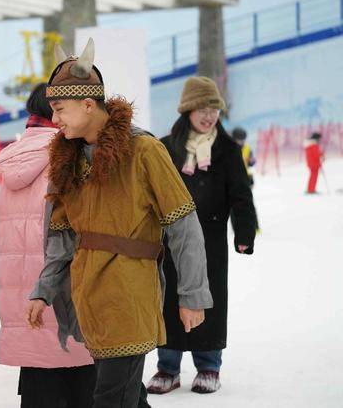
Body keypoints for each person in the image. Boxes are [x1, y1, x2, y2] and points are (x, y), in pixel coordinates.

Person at [25, 39, 213, 408]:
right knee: (126, 396)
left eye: (60, 109)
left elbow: (183, 226)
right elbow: (61, 237)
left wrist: (192, 294)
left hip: (130, 293)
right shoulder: (67, 158)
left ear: (88, 104)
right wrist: (43, 289)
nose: (56, 119)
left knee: (111, 398)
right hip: (88, 296)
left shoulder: (144, 150)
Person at [147, 76, 257, 395]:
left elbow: (241, 194)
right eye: (202, 109)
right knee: (168, 298)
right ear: (187, 110)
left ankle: (208, 365)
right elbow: (150, 193)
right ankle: (167, 367)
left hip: (210, 240)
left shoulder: (227, 150)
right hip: (170, 239)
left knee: (208, 299)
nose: (209, 116)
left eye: (214, 109)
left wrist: (244, 231)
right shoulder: (166, 147)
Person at [0, 83, 95, 408]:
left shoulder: (12, 160)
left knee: (40, 387)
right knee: (82, 384)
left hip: (25, 302)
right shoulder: (69, 159)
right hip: (65, 297)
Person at [231, 126, 259, 230]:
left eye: (243, 140)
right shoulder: (230, 148)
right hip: (232, 179)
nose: (241, 142)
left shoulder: (247, 148)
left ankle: (255, 226)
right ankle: (236, 227)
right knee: (233, 205)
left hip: (246, 178)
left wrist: (252, 161)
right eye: (239, 140)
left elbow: (252, 163)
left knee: (249, 202)